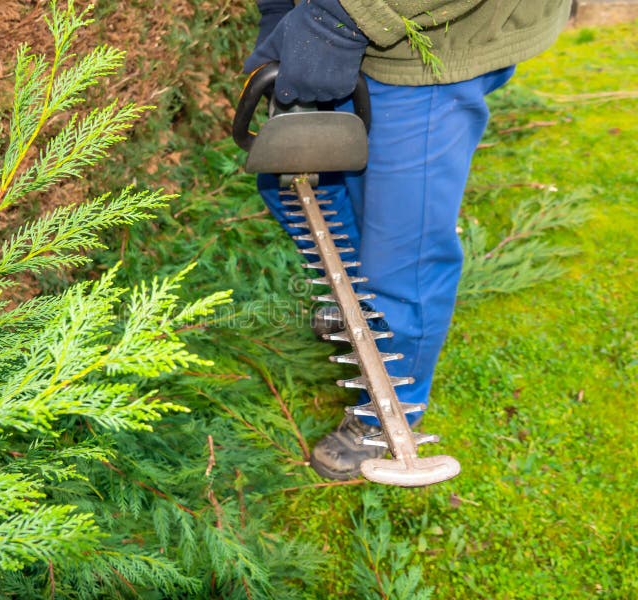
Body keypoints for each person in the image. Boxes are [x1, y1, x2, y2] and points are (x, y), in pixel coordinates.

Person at [243, 0, 572, 481]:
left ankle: (389, 408)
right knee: (310, 182)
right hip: (336, 22)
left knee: (403, 247)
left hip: (428, 42)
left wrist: (339, 16)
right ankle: (360, 305)